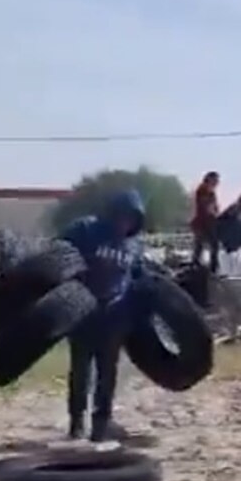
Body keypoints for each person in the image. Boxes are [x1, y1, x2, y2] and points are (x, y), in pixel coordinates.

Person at [58, 189, 146, 442]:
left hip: (114, 315)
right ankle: (76, 422)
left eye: (131, 218)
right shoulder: (86, 230)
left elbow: (138, 278)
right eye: (122, 216)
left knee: (107, 373)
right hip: (83, 310)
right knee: (81, 370)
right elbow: (57, 253)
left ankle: (101, 423)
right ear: (112, 214)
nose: (125, 223)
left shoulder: (133, 245)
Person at [191, 171, 222, 274]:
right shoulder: (202, 189)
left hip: (209, 223)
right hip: (201, 222)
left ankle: (213, 268)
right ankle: (196, 266)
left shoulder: (212, 193)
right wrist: (213, 211)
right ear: (209, 179)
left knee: (214, 245)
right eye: (215, 180)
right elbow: (206, 206)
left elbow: (215, 207)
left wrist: (217, 211)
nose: (217, 183)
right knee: (200, 245)